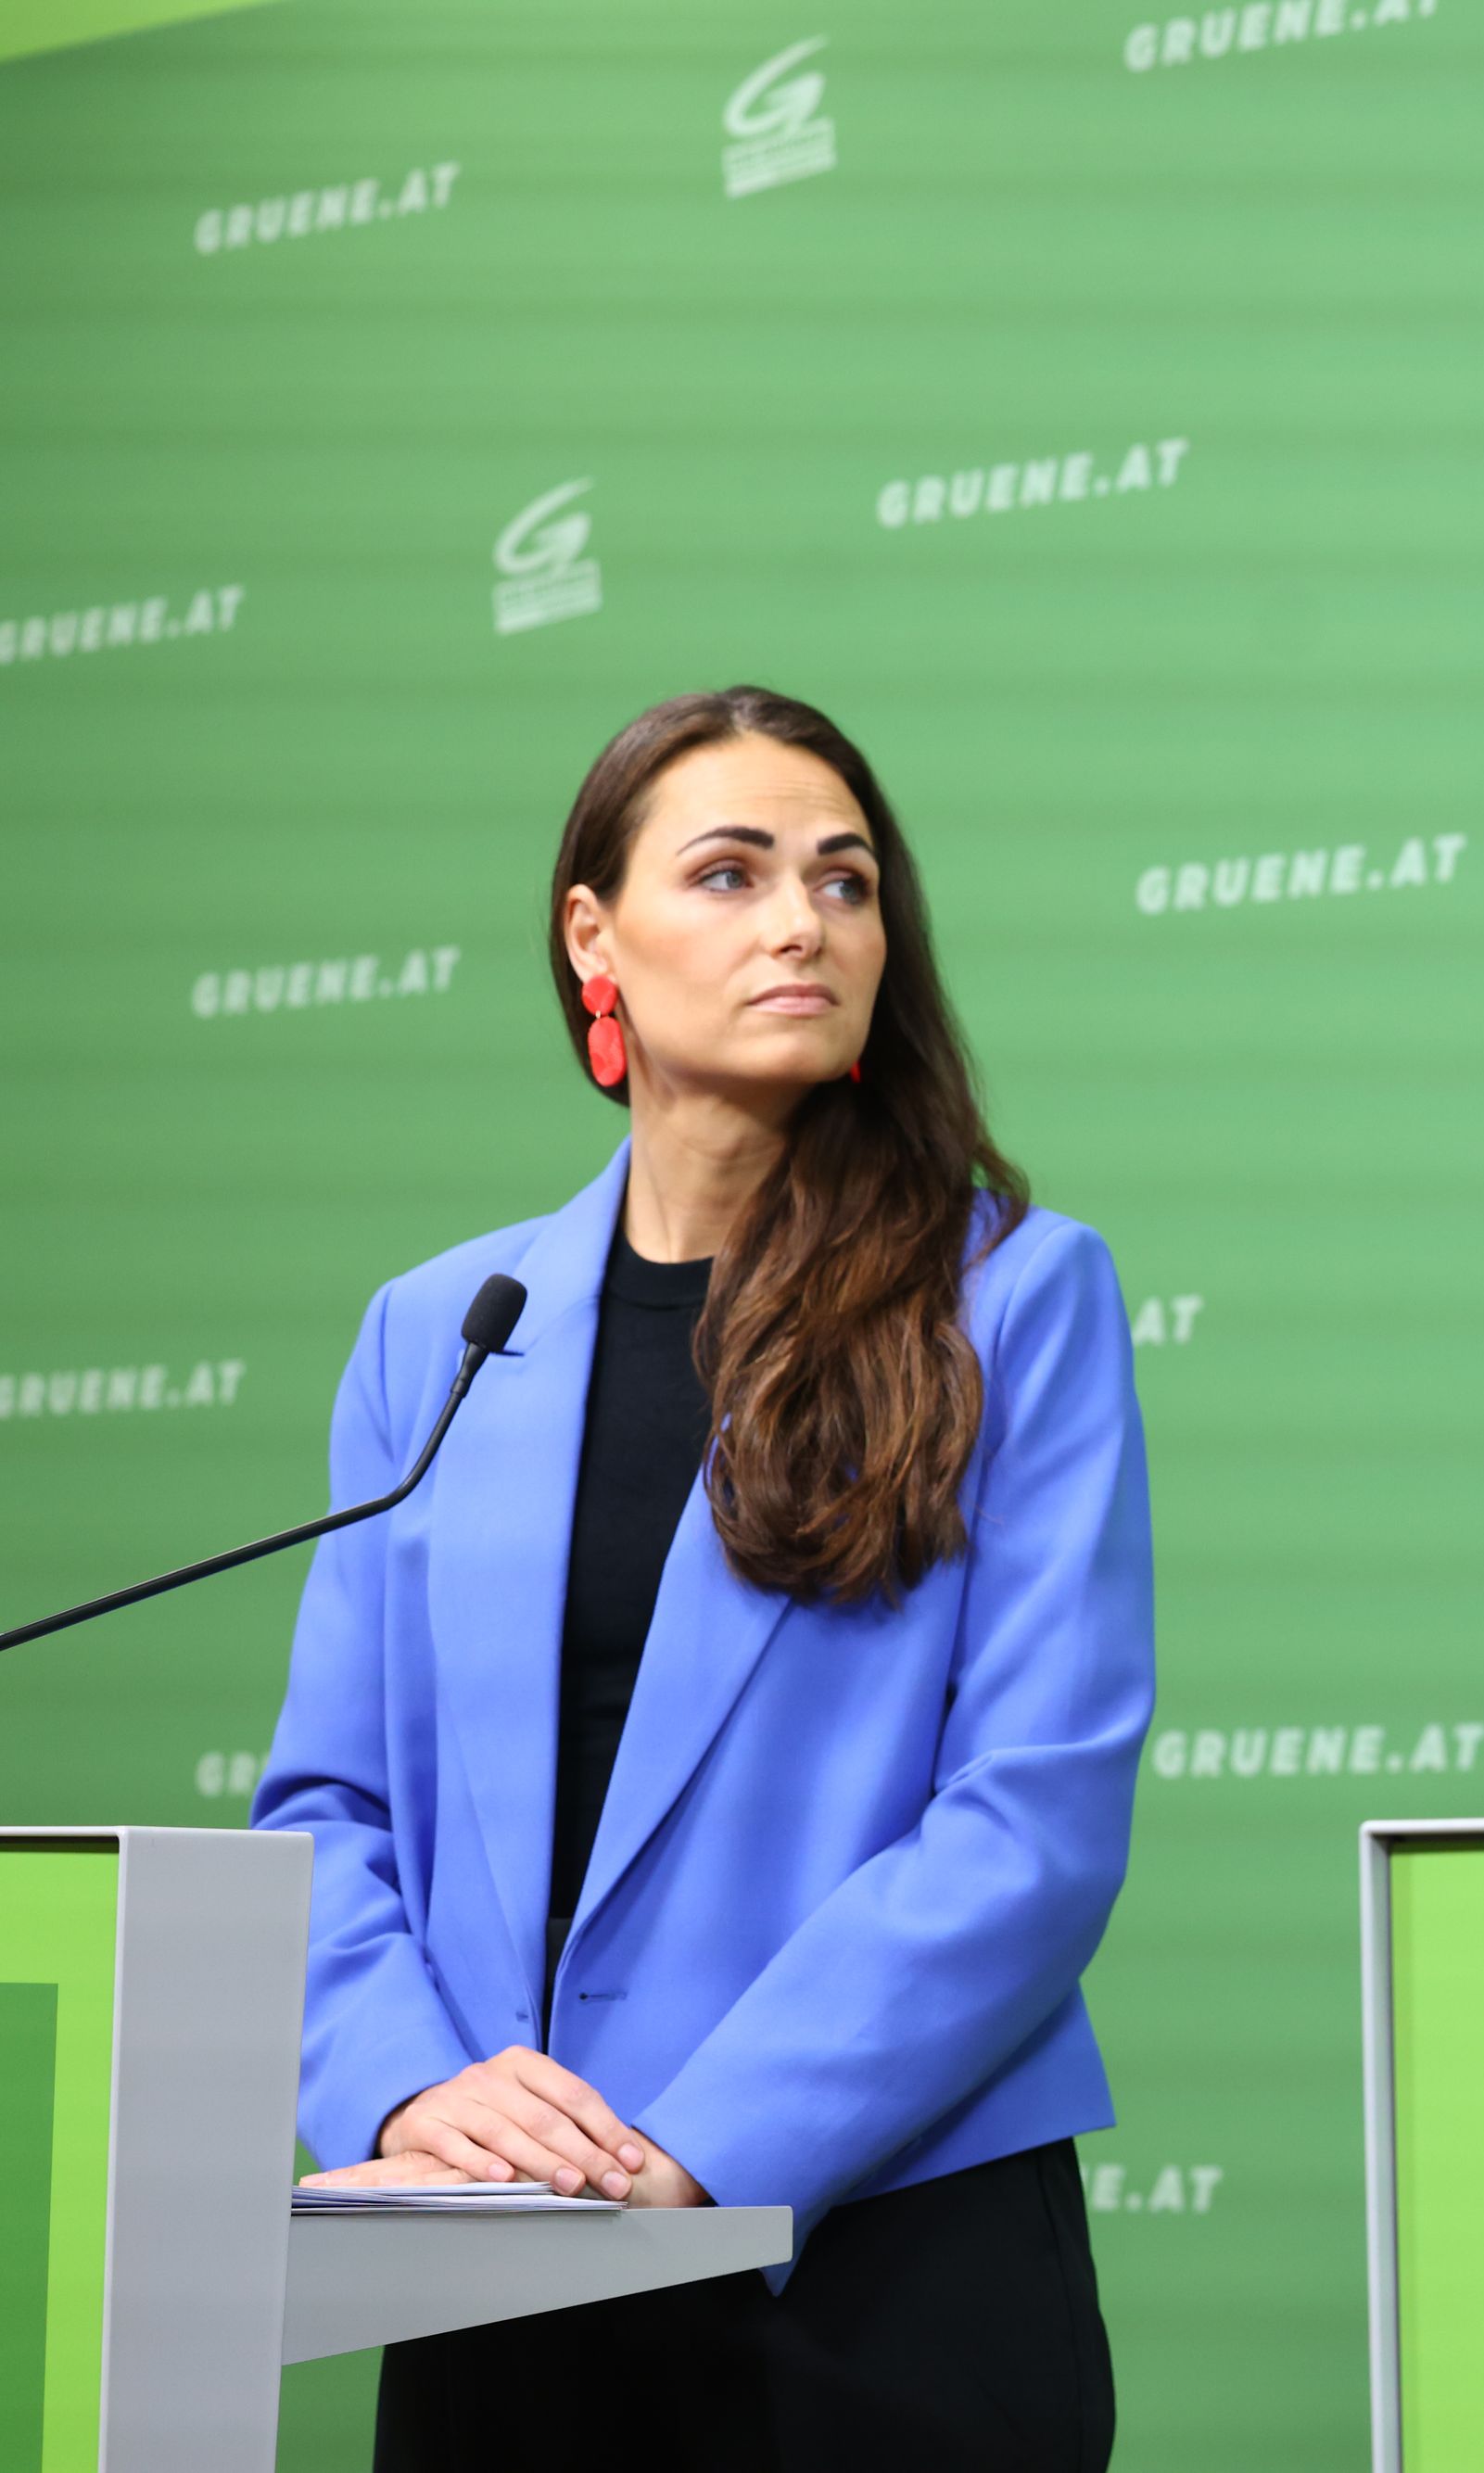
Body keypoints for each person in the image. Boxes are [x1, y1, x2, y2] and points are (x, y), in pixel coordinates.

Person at [256, 686, 1155, 2472]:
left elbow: (1030, 1821)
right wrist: (417, 2088)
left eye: (844, 880)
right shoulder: (439, 1333)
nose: (801, 922)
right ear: (595, 935)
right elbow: (324, 1807)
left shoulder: (1019, 1300)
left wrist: (707, 2148)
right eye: (730, 874)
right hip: (491, 2256)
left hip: (881, 2268)